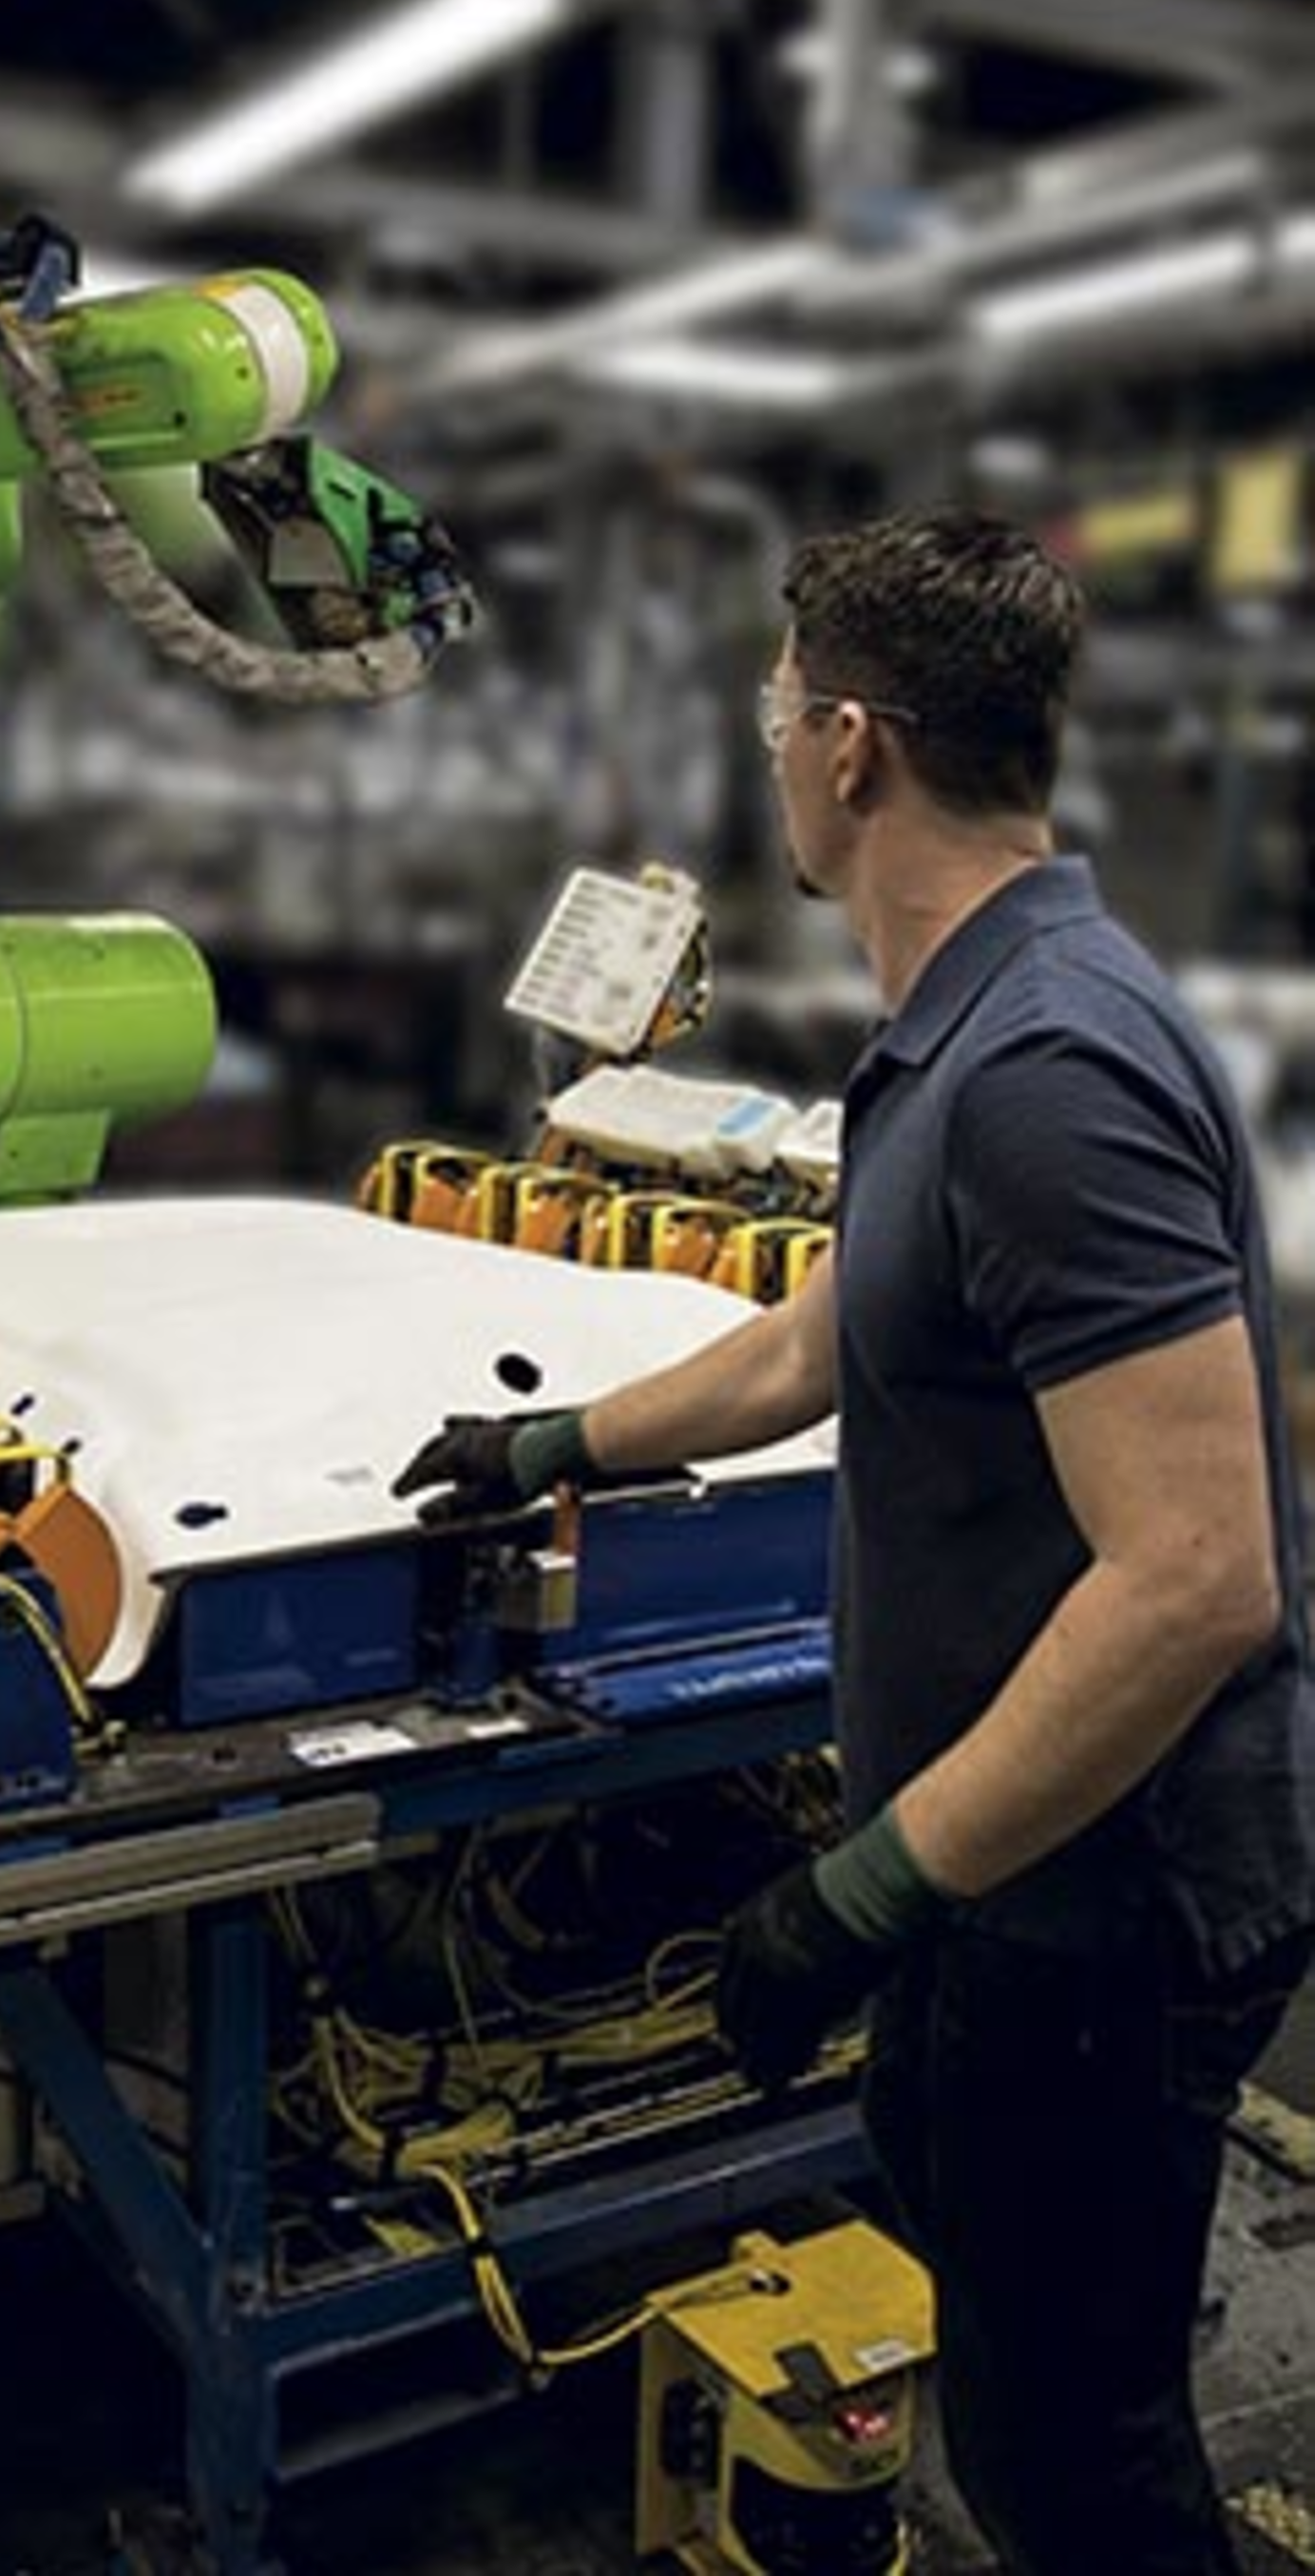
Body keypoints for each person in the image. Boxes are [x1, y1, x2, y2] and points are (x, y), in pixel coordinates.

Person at [394, 508, 1315, 2576]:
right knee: (1028, 2389)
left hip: (1102, 1911)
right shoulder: (969, 1025)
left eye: (778, 706)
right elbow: (828, 1334)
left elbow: (1196, 1574)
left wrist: (860, 1893)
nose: (772, 745)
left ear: (849, 749)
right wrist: (561, 1438)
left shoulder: (1047, 1070)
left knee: (1081, 2462)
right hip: (1025, 1887)